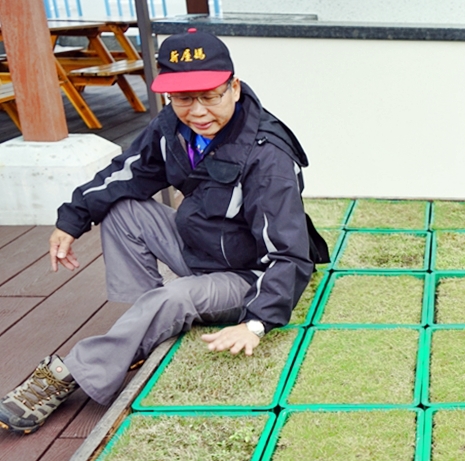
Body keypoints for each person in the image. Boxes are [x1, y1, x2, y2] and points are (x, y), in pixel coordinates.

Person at [0, 28, 324, 434]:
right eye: (184, 98)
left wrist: (257, 323)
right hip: (200, 249)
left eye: (210, 96)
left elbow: (289, 254)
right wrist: (71, 219)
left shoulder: (268, 153)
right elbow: (128, 172)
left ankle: (75, 371)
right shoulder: (173, 125)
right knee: (123, 209)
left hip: (247, 275)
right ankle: (142, 330)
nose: (198, 111)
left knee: (176, 295)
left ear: (234, 88)